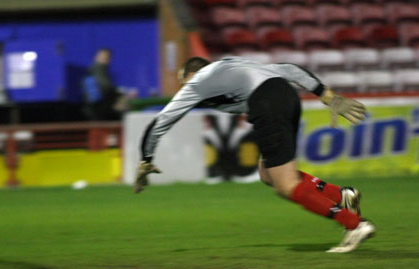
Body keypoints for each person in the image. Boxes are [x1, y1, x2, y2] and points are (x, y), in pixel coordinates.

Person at [134, 56, 375, 253]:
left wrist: (146, 160)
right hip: (286, 97)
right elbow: (289, 69)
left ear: (189, 76)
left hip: (267, 104)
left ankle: (353, 224)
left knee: (285, 185)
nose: (183, 89)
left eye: (182, 82)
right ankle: (342, 195)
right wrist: (326, 95)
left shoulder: (197, 84)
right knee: (268, 173)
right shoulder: (233, 65)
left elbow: (162, 121)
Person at [82, 48, 127, 121]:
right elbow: (106, 87)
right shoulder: (98, 69)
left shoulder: (92, 70)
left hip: (94, 110)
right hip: (98, 111)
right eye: (104, 57)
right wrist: (119, 96)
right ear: (96, 57)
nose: (105, 60)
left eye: (107, 58)